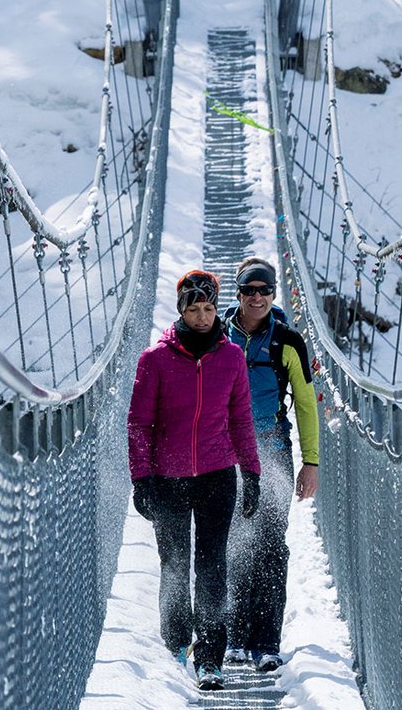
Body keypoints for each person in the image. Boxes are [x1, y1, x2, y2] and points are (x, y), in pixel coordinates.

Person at [127, 270, 262, 691]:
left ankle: (209, 657)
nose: (202, 317)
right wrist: (141, 480)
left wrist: (252, 471)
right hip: (167, 480)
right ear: (181, 310)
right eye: (193, 308)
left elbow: (240, 420)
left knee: (211, 567)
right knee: (174, 563)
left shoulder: (232, 358)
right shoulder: (155, 360)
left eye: (207, 308)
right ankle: (175, 643)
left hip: (217, 477)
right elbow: (138, 425)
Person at [221, 257, 320, 672]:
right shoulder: (217, 337)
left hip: (273, 451)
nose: (257, 297)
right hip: (224, 452)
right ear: (238, 294)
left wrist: (311, 462)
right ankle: (233, 639)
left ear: (274, 293)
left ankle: (265, 643)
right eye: (249, 290)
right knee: (229, 542)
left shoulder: (289, 341)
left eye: (264, 290)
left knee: (270, 547)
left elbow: (306, 403)